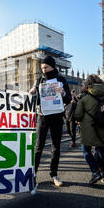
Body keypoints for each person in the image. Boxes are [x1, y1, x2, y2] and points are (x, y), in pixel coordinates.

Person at [29, 55, 71, 190]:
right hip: (42, 117)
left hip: (57, 118)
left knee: (56, 147)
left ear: (53, 66)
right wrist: (32, 93)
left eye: (46, 67)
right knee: (38, 147)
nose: (44, 70)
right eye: (42, 68)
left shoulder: (61, 80)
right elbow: (34, 100)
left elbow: (69, 99)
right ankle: (33, 174)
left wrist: (63, 92)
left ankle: (54, 174)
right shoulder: (39, 80)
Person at [74, 74, 104, 186]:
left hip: (89, 129)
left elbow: (77, 115)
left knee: (86, 151)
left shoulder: (85, 96)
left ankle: (95, 172)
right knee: (103, 153)